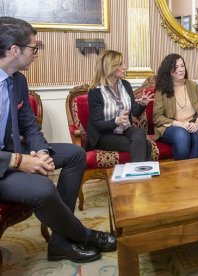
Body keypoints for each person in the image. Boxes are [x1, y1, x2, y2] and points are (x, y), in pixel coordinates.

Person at [0, 18, 116, 263]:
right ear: (13, 50)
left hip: (16, 153)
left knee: (75, 154)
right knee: (43, 188)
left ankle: (60, 241)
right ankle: (83, 234)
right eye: (34, 48)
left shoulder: (17, 80)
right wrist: (19, 161)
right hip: (4, 164)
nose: (36, 54)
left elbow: (29, 124)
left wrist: (41, 151)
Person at [87, 50, 153, 162]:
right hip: (104, 135)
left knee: (139, 132)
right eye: (120, 64)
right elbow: (98, 125)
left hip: (124, 130)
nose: (125, 67)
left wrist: (142, 104)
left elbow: (135, 112)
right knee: (146, 145)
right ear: (110, 67)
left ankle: (136, 176)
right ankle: (139, 177)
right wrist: (117, 121)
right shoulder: (95, 91)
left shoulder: (125, 85)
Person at [153, 53, 198, 160]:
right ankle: (181, 174)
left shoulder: (193, 86)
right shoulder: (161, 90)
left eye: (182, 66)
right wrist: (180, 124)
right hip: (172, 127)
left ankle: (193, 174)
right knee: (182, 135)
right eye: (176, 67)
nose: (181, 69)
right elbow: (158, 118)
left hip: (192, 124)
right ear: (169, 70)